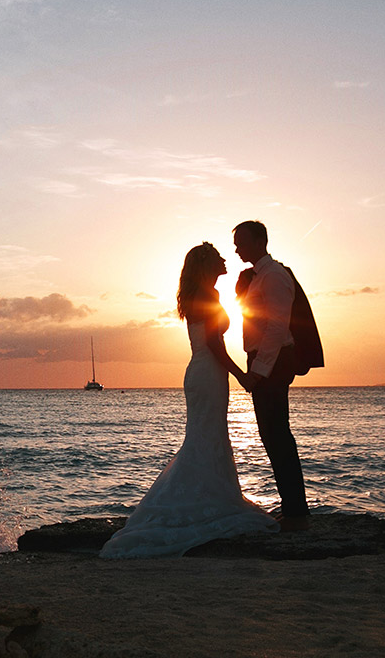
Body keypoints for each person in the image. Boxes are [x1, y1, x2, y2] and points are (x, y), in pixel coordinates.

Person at [100, 243, 278, 558]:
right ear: (207, 264)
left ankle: (210, 497)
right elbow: (213, 342)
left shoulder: (202, 293)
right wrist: (241, 375)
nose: (225, 259)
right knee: (204, 438)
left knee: (206, 437)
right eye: (218, 257)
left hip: (204, 373)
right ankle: (203, 503)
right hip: (208, 373)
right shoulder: (208, 296)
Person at [233, 220, 310, 532]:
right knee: (273, 435)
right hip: (267, 360)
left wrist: (258, 372)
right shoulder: (258, 277)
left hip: (273, 362)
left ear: (258, 242)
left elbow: (277, 327)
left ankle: (296, 511)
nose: (237, 248)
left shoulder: (275, 275)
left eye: (241, 242)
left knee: (277, 435)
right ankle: (293, 508)